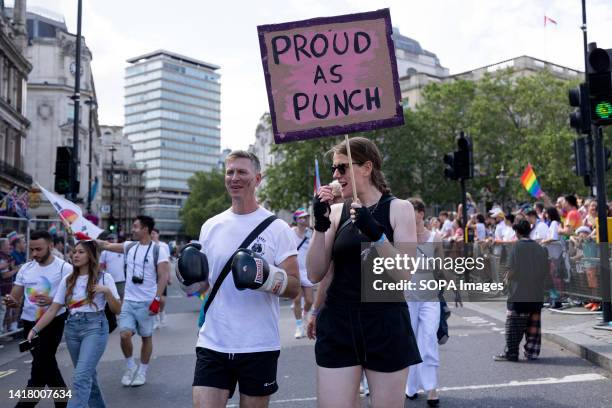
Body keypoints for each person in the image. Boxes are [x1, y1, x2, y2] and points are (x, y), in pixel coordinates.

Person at [306, 137, 420, 408]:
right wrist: (319, 226)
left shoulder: (399, 209)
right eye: (334, 168)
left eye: (342, 168)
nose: (336, 175)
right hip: (339, 323)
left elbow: (404, 274)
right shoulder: (335, 212)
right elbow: (315, 273)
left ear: (367, 168)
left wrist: (377, 236)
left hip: (385, 322)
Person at [191, 150, 300, 408]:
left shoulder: (277, 228)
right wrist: (190, 279)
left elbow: (294, 286)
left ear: (258, 178)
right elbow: (203, 287)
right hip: (213, 342)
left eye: (242, 172)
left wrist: (265, 276)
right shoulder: (210, 226)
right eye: (230, 172)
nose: (234, 178)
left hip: (258, 344)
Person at [27, 240, 121, 408]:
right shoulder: (68, 280)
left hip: (95, 327)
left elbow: (117, 309)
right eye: (74, 251)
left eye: (81, 252)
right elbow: (53, 309)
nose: (75, 255)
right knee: (87, 376)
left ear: (91, 256)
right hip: (72, 329)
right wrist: (35, 329)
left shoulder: (105, 278)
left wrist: (106, 292)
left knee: (80, 378)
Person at [97, 215, 170, 387]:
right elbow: (106, 245)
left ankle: (142, 372)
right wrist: (90, 239)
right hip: (128, 301)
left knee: (146, 337)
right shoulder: (130, 246)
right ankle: (130, 366)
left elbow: (163, 276)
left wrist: (156, 300)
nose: (133, 229)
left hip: (147, 302)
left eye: (136, 226)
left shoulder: (158, 250)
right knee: (124, 335)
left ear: (145, 229)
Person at [3, 230, 72, 407]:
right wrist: (11, 301)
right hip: (29, 323)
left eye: (38, 249)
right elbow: (15, 298)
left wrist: (54, 301)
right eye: (31, 249)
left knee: (42, 365)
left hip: (53, 323)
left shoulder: (65, 268)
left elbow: (73, 299)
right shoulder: (26, 268)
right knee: (44, 368)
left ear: (50, 246)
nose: (34, 254)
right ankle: (63, 402)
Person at [495, 220, 548, 362]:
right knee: (533, 325)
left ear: (517, 232)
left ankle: (511, 353)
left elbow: (511, 269)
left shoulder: (516, 247)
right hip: (536, 292)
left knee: (513, 325)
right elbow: (545, 271)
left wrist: (505, 282)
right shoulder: (539, 247)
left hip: (519, 292)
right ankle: (532, 352)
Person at [405, 198, 442, 406]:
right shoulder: (402, 236)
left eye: (411, 211)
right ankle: (411, 386)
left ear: (420, 213)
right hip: (407, 297)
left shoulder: (435, 238)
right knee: (409, 342)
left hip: (430, 297)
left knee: (428, 340)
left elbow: (442, 267)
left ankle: (431, 389)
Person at [291, 208, 314, 339]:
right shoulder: (290, 233)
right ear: (296, 220)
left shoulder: (310, 233)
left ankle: (304, 314)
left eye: (306, 217)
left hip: (307, 270)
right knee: (297, 299)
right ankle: (299, 326)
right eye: (301, 217)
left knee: (310, 300)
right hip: (295, 270)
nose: (304, 219)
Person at [151, 228, 171, 328]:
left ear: (158, 235)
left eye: (154, 233)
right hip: (151, 277)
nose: (152, 235)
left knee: (162, 299)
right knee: (153, 299)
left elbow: (168, 263)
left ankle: (162, 312)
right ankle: (155, 319)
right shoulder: (148, 246)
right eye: (151, 234)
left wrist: (169, 276)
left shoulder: (164, 246)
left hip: (161, 275)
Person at [99, 234, 126, 299]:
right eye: (109, 239)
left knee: (121, 297)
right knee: (109, 297)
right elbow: (101, 266)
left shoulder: (122, 251)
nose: (111, 240)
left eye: (113, 239)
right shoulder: (104, 252)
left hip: (120, 280)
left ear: (117, 240)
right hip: (108, 280)